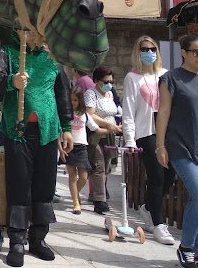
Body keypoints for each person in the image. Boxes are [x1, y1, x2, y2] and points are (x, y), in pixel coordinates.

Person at [0, 33, 73, 267]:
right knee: (19, 185)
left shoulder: (52, 59)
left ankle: (38, 238)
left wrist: (66, 128)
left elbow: (62, 94)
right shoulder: (9, 54)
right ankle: (16, 241)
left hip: (48, 131)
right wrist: (12, 81)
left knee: (45, 186)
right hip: (18, 130)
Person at [157, 33, 198, 268]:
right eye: (197, 52)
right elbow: (163, 113)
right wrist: (160, 145)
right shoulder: (170, 79)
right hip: (180, 145)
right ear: (183, 52)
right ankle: (186, 248)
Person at [122, 35, 176, 245]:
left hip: (167, 131)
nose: (149, 52)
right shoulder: (132, 78)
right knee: (157, 176)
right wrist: (129, 139)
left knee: (170, 175)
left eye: (153, 48)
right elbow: (128, 109)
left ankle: (148, 207)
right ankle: (159, 224)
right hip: (145, 132)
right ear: (138, 51)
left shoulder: (165, 75)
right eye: (144, 48)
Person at [83, 66, 121, 215]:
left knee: (107, 166)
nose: (109, 84)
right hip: (96, 135)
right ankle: (100, 200)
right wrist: (108, 125)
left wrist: (114, 127)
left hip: (110, 135)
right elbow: (90, 114)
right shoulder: (90, 94)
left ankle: (100, 194)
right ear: (97, 81)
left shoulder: (110, 94)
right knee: (98, 166)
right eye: (106, 81)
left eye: (111, 81)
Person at [65, 86, 103, 215]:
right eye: (70, 100)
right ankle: (76, 202)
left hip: (81, 147)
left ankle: (74, 194)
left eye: (75, 100)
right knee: (72, 175)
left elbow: (95, 128)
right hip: (68, 146)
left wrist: (113, 129)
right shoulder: (65, 114)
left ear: (80, 101)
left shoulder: (84, 115)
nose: (73, 103)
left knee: (83, 176)